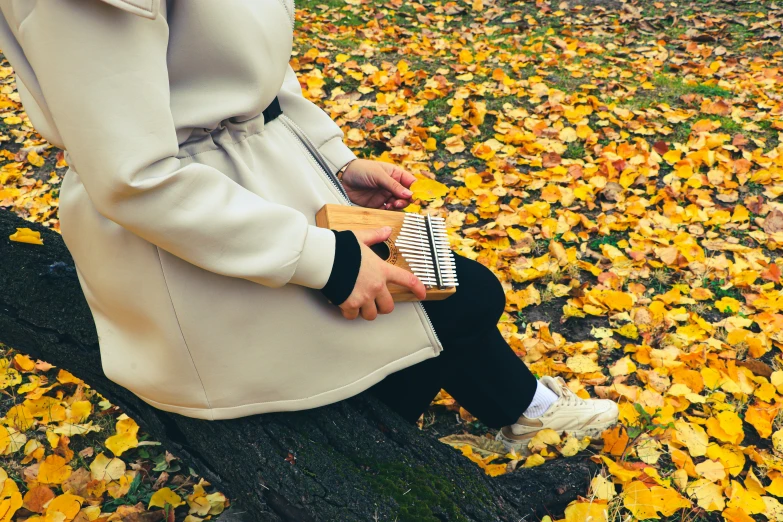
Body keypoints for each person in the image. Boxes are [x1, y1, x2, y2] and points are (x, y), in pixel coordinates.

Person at [0, 0, 617, 454]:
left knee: (445, 281)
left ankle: (509, 409)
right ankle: (374, 445)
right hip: (178, 240)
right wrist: (329, 262)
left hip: (254, 184)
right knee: (462, 298)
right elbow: (135, 178)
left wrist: (337, 163)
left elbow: (255, 76)